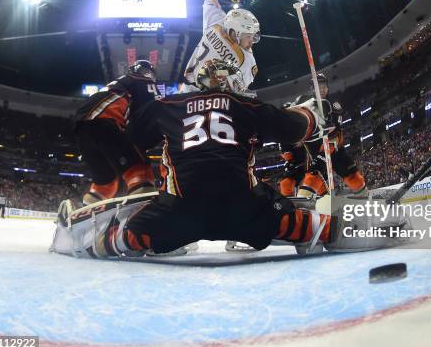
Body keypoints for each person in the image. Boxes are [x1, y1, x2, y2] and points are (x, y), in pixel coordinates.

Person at [52, 60, 398, 258]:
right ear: (232, 83)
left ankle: (95, 241)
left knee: (128, 236)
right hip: (242, 207)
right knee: (299, 225)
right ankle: (344, 229)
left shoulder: (166, 106)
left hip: (179, 211)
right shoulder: (246, 106)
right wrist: (312, 115)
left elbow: (135, 140)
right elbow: (296, 129)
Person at [74, 60, 160, 205]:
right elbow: (156, 112)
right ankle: (140, 211)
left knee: (106, 182)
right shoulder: (144, 82)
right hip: (104, 123)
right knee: (140, 170)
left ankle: (89, 209)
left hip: (80, 128)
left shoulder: (120, 83)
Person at [278, 73, 367, 198]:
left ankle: (366, 201)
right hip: (313, 151)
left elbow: (336, 131)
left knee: (355, 179)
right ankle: (304, 201)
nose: (322, 89)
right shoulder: (302, 101)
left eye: (324, 86)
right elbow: (291, 119)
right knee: (313, 175)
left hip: (334, 150)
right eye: (318, 86)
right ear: (312, 88)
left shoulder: (334, 104)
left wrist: (325, 151)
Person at [180, 0, 260, 94]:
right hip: (192, 90)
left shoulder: (217, 21)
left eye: (253, 37)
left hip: (208, 96)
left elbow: (209, 0)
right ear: (235, 31)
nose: (252, 42)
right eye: (248, 36)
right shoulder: (247, 61)